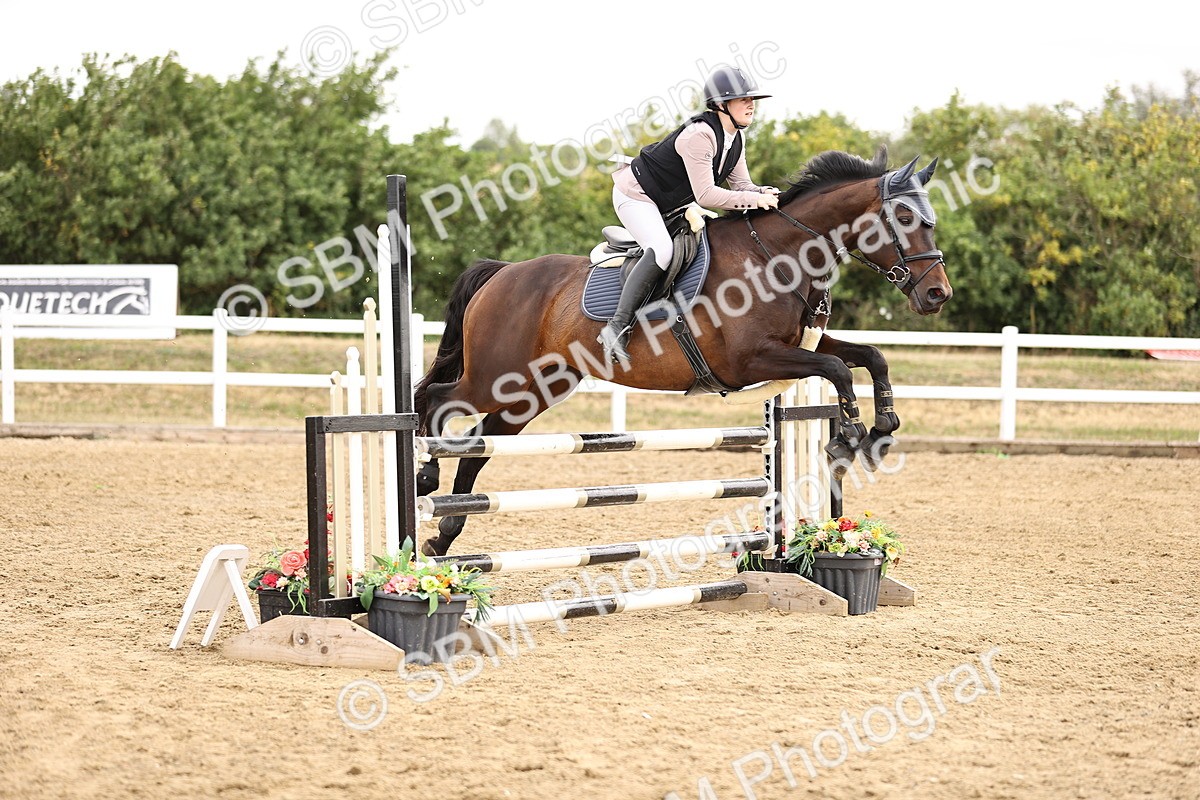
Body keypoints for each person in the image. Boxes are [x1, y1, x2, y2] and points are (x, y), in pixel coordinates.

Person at [599, 66, 781, 364]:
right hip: (636, 195)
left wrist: (764, 193)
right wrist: (754, 199)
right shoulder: (699, 135)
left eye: (752, 99)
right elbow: (707, 196)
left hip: (669, 203)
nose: (751, 104)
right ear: (721, 104)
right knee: (662, 251)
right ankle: (615, 327)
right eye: (742, 99)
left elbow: (742, 186)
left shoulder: (735, 138)